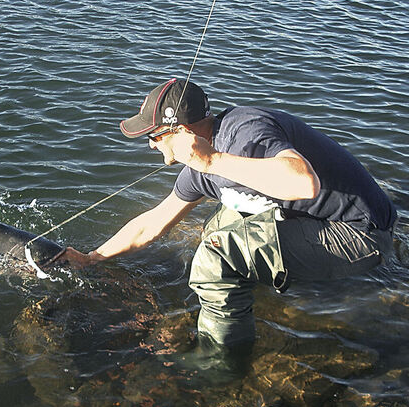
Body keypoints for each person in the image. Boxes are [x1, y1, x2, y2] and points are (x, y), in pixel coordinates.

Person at [64, 78, 397, 346]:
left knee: (215, 257)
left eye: (153, 135)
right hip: (317, 222)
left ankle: (221, 358)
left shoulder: (244, 131)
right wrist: (92, 258)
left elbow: (303, 184)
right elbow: (153, 222)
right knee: (217, 227)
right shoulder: (201, 167)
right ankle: (244, 301)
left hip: (361, 234)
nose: (151, 144)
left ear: (181, 133)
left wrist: (210, 161)